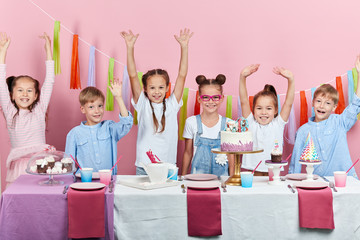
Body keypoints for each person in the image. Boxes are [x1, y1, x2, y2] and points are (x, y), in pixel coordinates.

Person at [121, 29, 193, 175]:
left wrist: (184, 47)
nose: (157, 92)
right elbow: (133, 75)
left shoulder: (172, 105)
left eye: (161, 87)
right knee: (143, 198)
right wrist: (130, 47)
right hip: (144, 166)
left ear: (167, 88)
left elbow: (182, 75)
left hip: (168, 167)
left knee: (167, 198)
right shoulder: (142, 104)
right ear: (145, 89)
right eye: (152, 88)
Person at [289, 56, 360, 177]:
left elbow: (356, 103)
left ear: (334, 107)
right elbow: (295, 164)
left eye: (327, 103)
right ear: (312, 102)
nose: (322, 106)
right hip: (318, 182)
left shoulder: (340, 122)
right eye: (318, 101)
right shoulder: (302, 131)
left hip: (346, 180)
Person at [0, 32, 54, 185]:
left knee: (39, 202)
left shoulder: (39, 110)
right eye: (20, 90)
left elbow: (50, 81)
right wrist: (3, 52)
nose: (25, 94)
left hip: (40, 164)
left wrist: (48, 51)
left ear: (36, 95)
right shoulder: (11, 113)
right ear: (12, 95)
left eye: (29, 90)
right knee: (17, 203)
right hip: (18, 167)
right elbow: (0, 83)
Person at [65, 82, 133, 174]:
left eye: (100, 106)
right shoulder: (74, 133)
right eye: (91, 107)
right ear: (83, 109)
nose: (97, 111)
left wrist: (118, 98)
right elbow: (68, 163)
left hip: (108, 180)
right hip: (84, 181)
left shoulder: (109, 127)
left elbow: (127, 123)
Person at [239, 64, 295, 175]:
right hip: (254, 171)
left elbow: (288, 103)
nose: (264, 112)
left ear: (275, 110)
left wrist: (291, 80)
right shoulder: (250, 123)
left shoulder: (278, 124)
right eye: (259, 108)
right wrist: (242, 77)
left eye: (268, 108)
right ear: (253, 110)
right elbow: (244, 101)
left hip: (273, 170)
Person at [181, 74, 234, 177]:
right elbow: (187, 153)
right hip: (197, 178)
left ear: (222, 98)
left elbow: (231, 156)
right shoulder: (191, 122)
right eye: (205, 97)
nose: (210, 101)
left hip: (222, 180)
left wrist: (231, 179)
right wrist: (183, 177)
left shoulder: (229, 124)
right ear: (199, 99)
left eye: (215, 97)